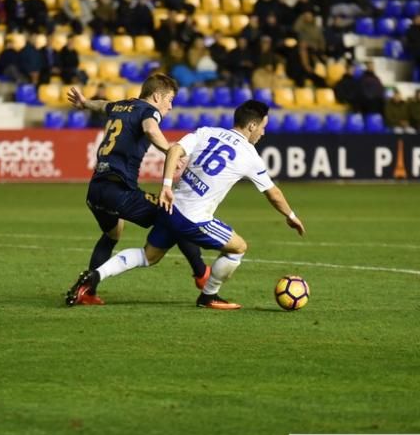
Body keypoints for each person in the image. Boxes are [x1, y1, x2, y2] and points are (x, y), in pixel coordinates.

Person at [66, 100, 305, 309]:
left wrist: (167, 186)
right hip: (194, 217)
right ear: (252, 125)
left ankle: (94, 276)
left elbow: (174, 150)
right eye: (263, 127)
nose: (263, 133)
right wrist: (291, 215)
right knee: (238, 248)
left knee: (148, 256)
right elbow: (273, 193)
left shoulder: (206, 132)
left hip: (170, 207)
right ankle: (209, 296)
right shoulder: (250, 155)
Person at [63, 73, 210, 302]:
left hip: (96, 190)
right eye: (169, 100)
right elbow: (151, 129)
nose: (170, 107)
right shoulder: (148, 110)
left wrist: (84, 103)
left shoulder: (122, 105)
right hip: (119, 190)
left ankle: (88, 291)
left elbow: (103, 105)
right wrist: (170, 151)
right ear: (156, 96)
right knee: (173, 213)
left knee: (112, 233)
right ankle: (202, 274)